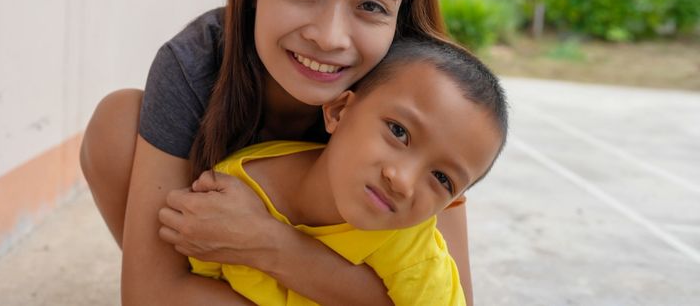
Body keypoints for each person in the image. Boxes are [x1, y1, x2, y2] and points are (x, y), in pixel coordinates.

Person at [80, 0, 473, 305]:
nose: (329, 37)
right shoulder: (196, 65)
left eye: (371, 5)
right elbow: (151, 293)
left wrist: (269, 244)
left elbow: (451, 299)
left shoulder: (424, 96)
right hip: (228, 283)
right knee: (116, 123)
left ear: (400, 17)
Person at [187, 38, 508, 306]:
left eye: (442, 179)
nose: (403, 181)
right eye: (398, 132)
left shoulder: (408, 245)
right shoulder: (233, 189)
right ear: (339, 111)